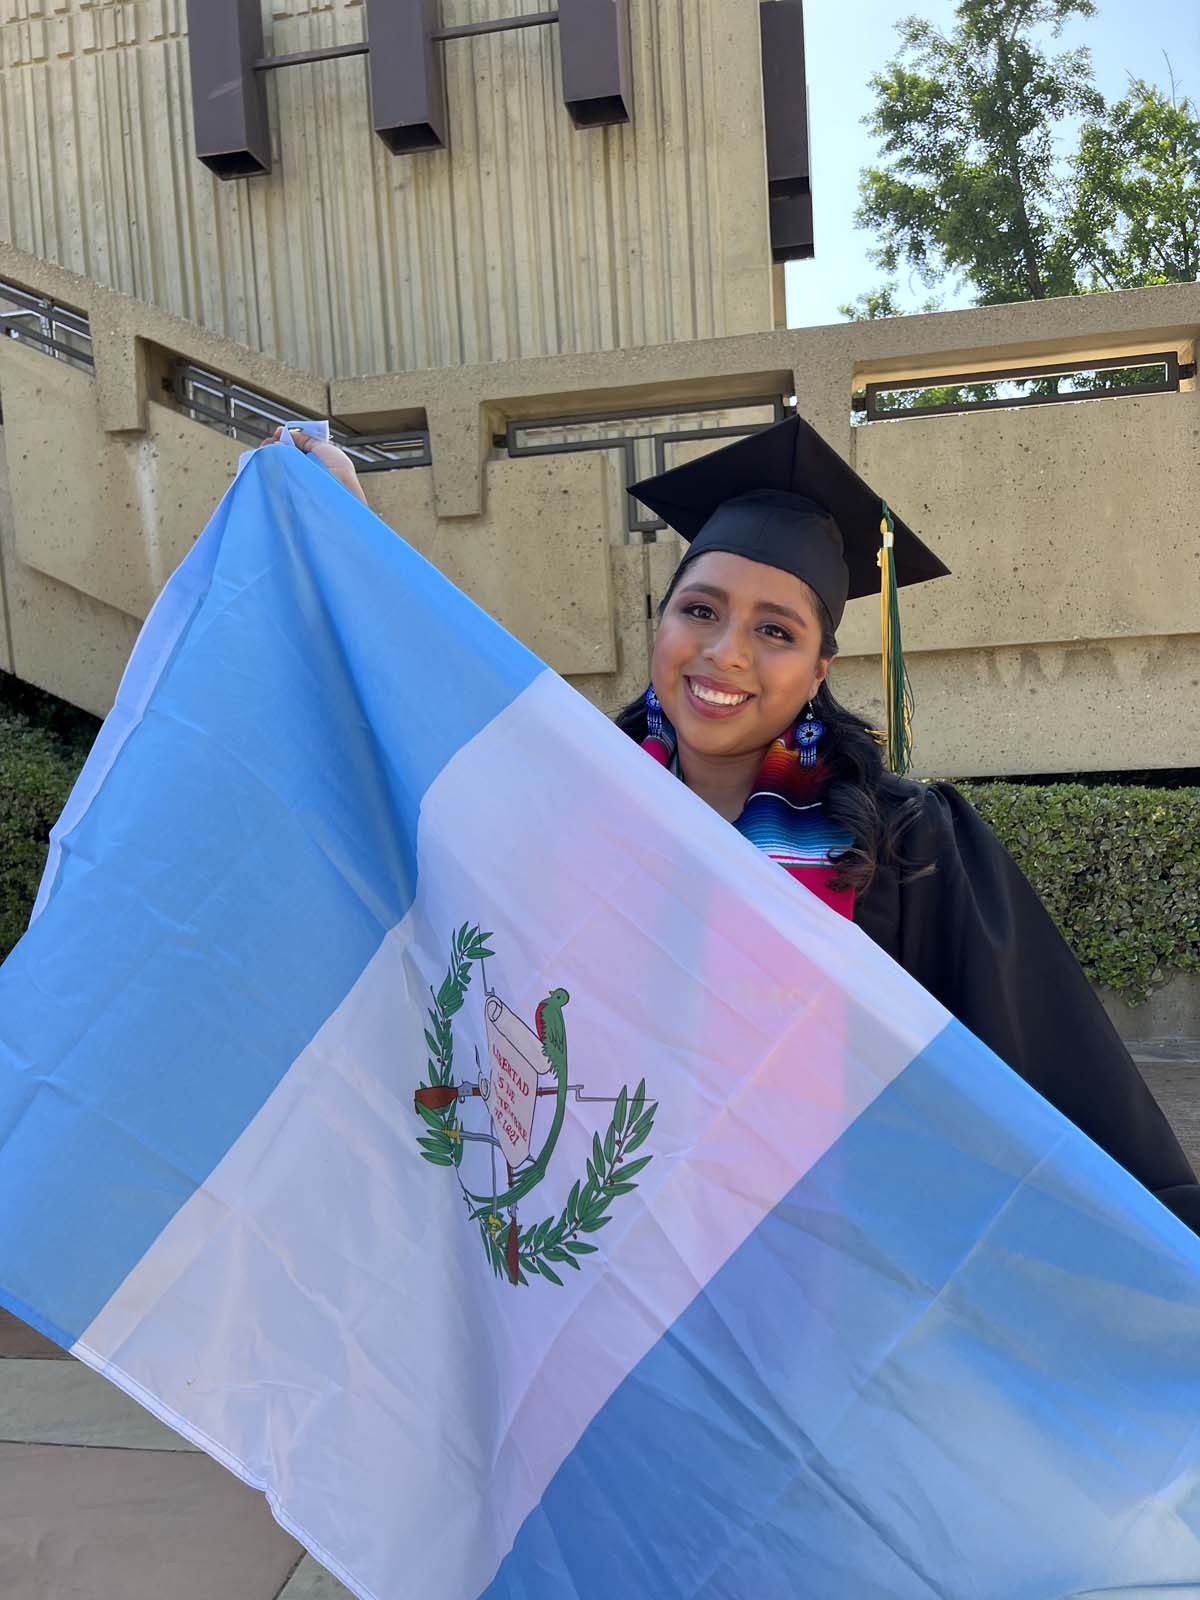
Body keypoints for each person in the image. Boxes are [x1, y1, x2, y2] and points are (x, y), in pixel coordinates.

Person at [270, 416, 1200, 1233]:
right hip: (596, 1257)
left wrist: (1164, 1256)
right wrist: (345, 546)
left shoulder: (902, 846)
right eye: (700, 610)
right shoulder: (568, 802)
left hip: (824, 1279)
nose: (724, 653)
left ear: (819, 669)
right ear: (660, 622)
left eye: (776, 631)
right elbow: (402, 758)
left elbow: (1044, 1085)